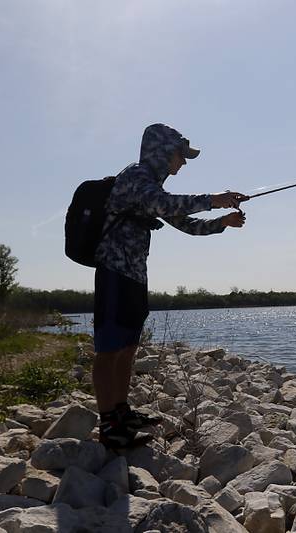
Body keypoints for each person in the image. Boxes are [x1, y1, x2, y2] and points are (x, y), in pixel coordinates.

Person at [92, 123, 247, 448]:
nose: (184, 162)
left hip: (134, 276)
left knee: (129, 346)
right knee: (109, 350)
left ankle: (121, 412)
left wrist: (223, 222)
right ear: (162, 152)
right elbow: (167, 206)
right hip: (114, 273)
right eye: (181, 155)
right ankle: (109, 427)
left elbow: (186, 224)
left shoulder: (153, 188)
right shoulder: (136, 177)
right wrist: (214, 199)